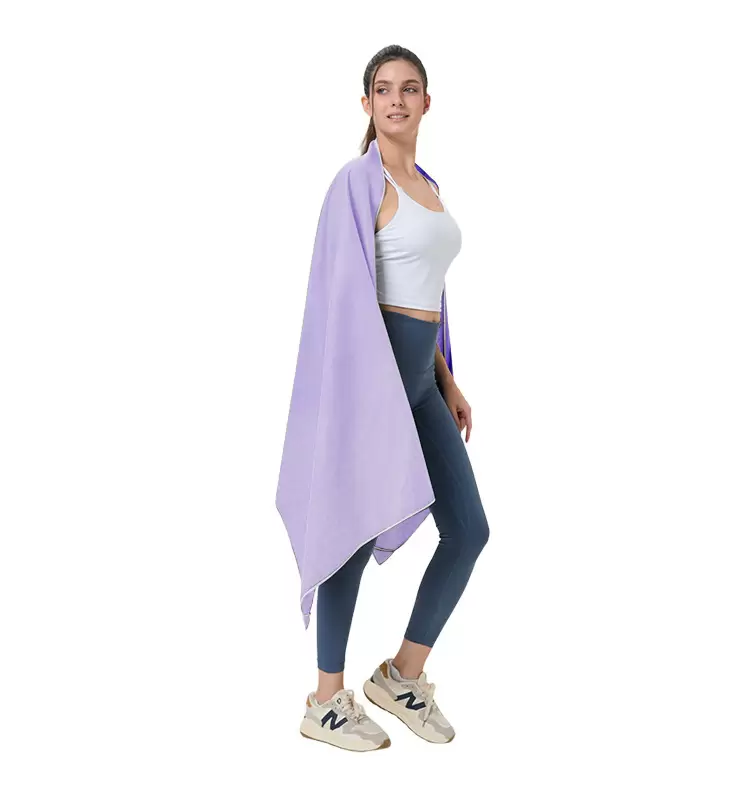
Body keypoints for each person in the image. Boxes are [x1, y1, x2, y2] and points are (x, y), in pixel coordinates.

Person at [298, 45, 490, 752]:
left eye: (410, 89)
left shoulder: (428, 186)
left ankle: (401, 675)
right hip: (372, 383)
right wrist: (368, 393)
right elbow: (340, 294)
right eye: (384, 90)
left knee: (468, 531)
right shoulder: (358, 181)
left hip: (421, 385)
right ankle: (326, 702)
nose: (397, 101)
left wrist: (446, 378)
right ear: (367, 103)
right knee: (350, 532)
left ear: (427, 102)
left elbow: (428, 293)